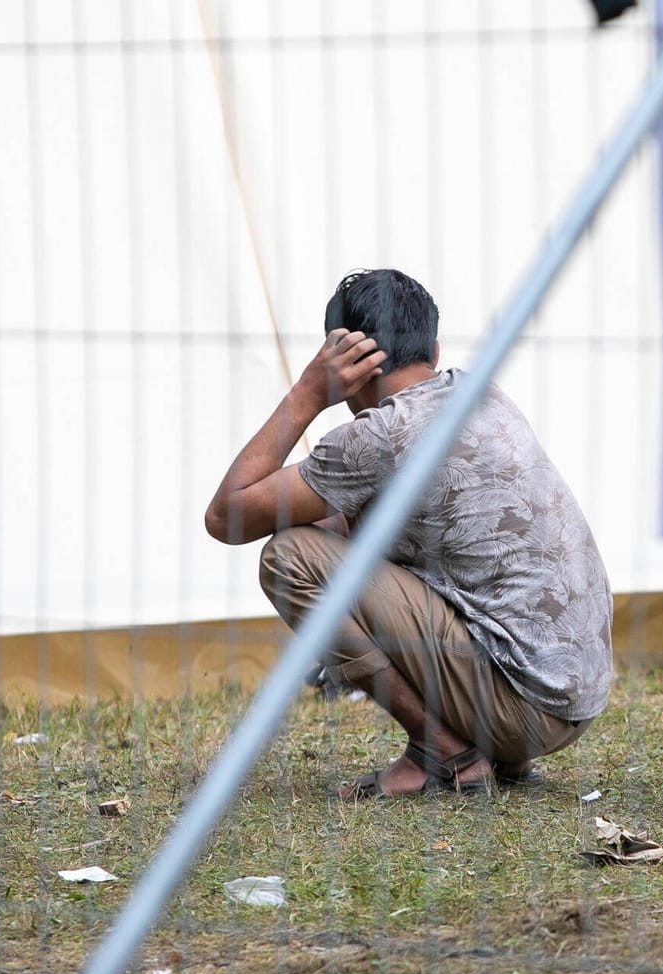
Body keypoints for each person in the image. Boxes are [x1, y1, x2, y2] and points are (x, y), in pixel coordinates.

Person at [204, 269, 613, 799]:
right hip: (573, 697)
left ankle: (440, 751)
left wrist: (308, 393)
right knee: (333, 532)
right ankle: (494, 752)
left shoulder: (380, 436)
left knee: (289, 556)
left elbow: (226, 515)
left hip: (524, 707)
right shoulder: (477, 393)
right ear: (434, 349)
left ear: (346, 361)